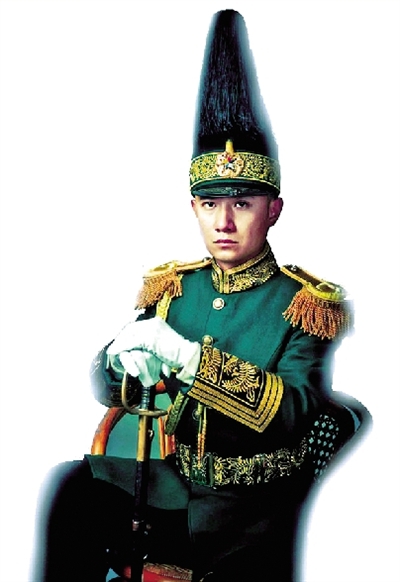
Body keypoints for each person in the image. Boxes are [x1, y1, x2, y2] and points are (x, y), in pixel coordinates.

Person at [32, 9, 369, 582]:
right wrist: (120, 362)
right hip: (174, 489)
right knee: (67, 487)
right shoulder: (173, 288)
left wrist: (191, 361)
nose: (224, 222)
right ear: (194, 207)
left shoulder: (306, 303)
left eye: (242, 204)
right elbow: (104, 387)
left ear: (273, 210)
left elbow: (293, 413)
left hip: (256, 517)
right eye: (211, 204)